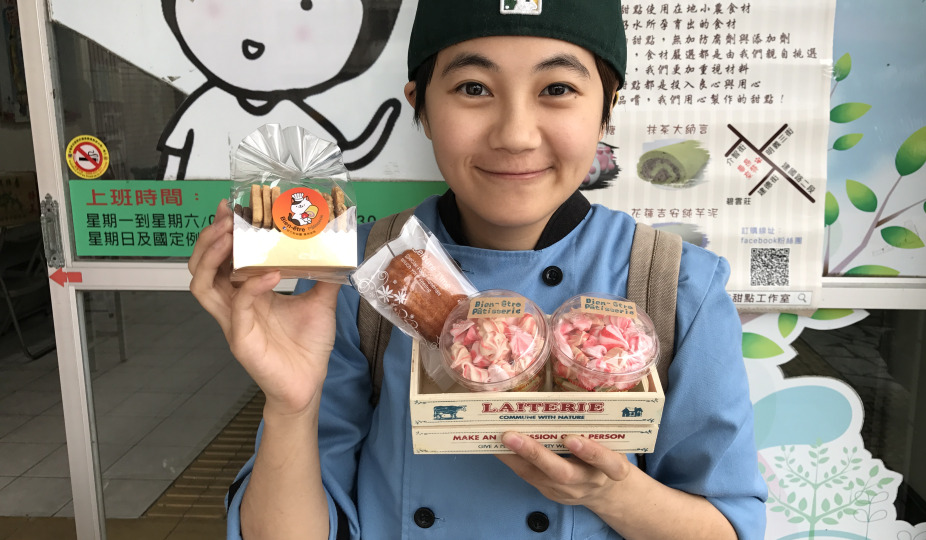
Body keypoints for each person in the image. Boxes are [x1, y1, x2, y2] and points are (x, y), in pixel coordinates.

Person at [189, 1, 767, 538]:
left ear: (607, 107)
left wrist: (609, 494)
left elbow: (729, 527)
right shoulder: (360, 277)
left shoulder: (675, 284)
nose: (515, 135)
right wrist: (290, 408)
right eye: (473, 88)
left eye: (558, 89)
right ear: (420, 105)